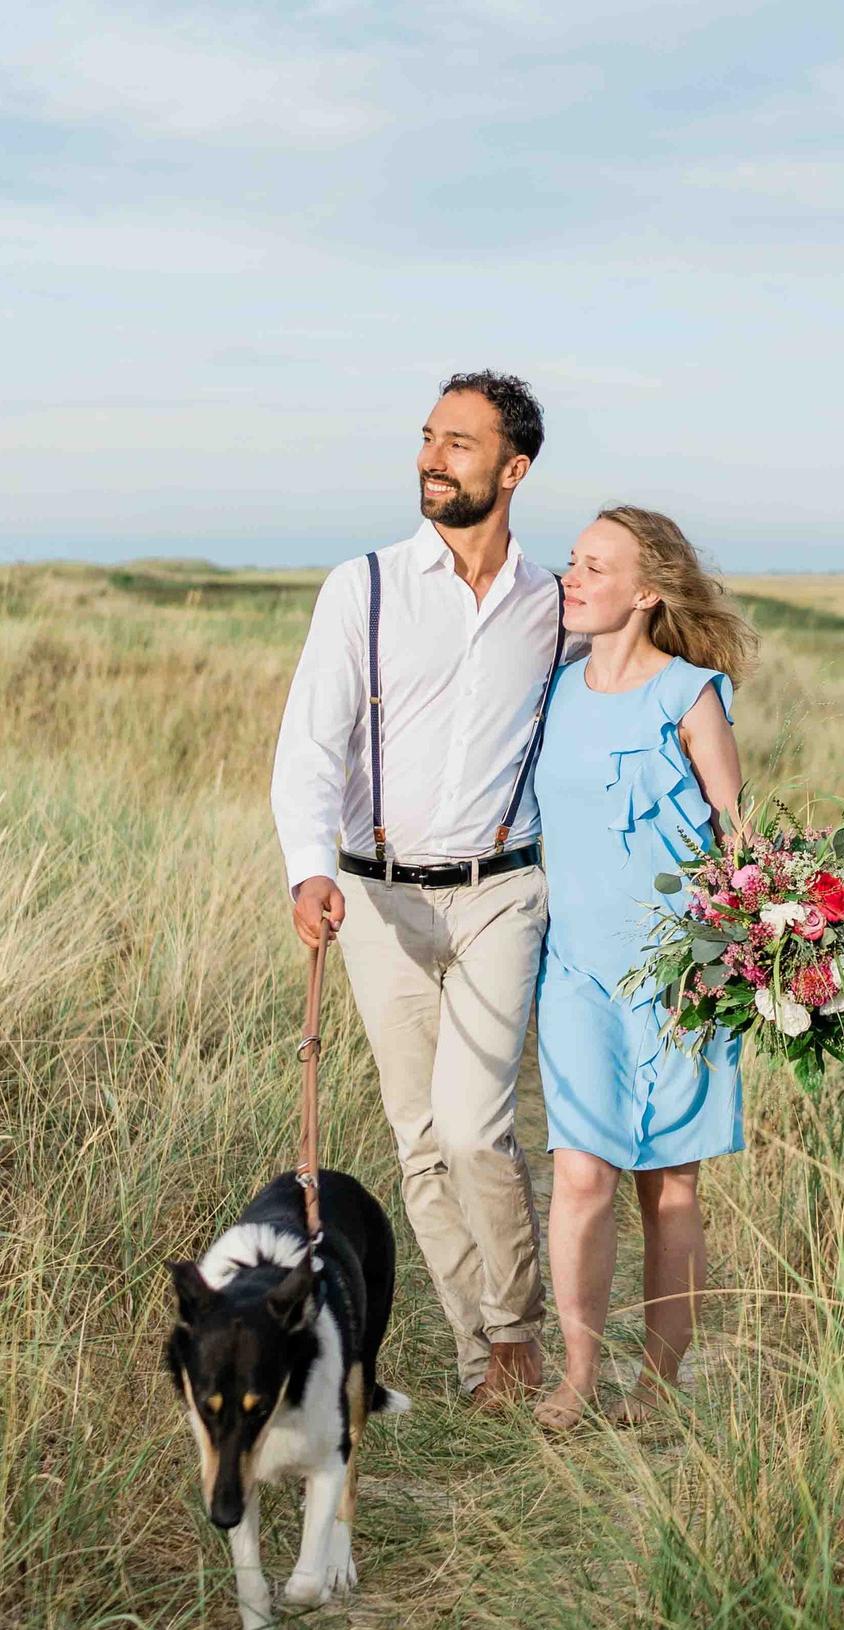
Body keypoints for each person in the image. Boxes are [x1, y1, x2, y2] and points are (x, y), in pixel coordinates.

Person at [270, 371, 565, 1409]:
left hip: (500, 893)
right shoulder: (364, 586)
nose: (431, 459)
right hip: (375, 897)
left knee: (476, 1125)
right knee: (422, 1139)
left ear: (513, 469)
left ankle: (519, 1328)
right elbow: (311, 745)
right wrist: (308, 865)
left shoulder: (555, 604)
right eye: (429, 437)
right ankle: (484, 1355)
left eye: (458, 444)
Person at [529, 506, 754, 1431]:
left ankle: (659, 1382)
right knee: (582, 1174)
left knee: (670, 1187)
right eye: (572, 562)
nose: (572, 578)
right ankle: (579, 1373)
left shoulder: (691, 696)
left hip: (680, 977)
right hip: (576, 973)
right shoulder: (553, 690)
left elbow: (740, 843)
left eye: (596, 566)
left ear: (648, 590)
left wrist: (733, 962)